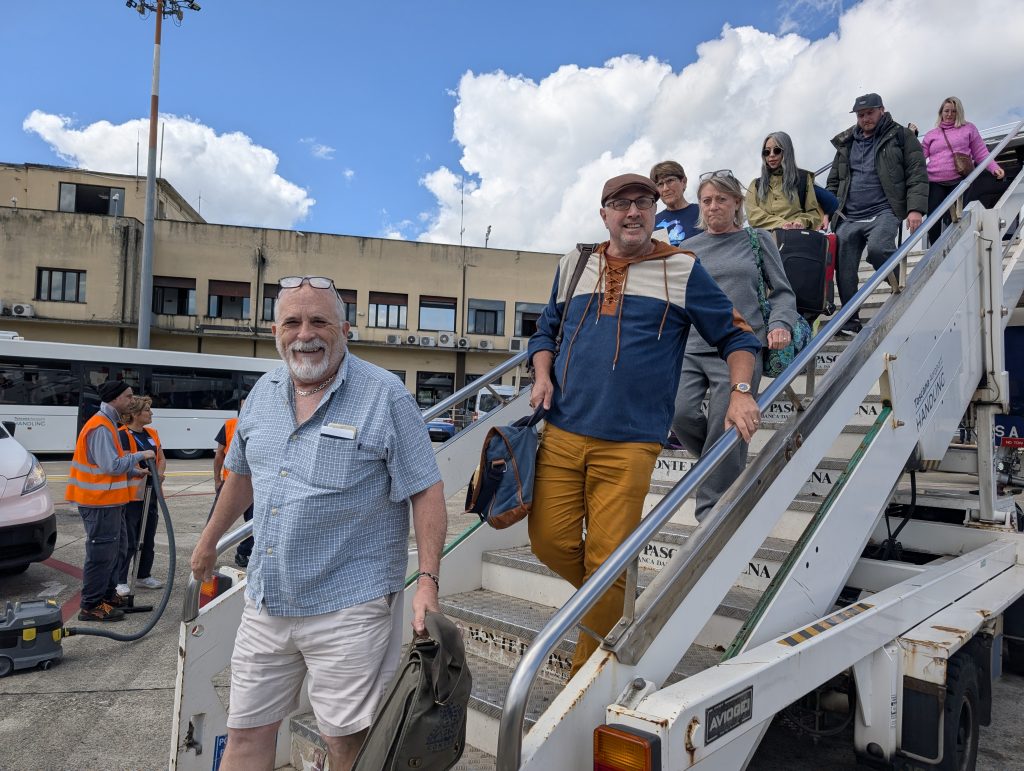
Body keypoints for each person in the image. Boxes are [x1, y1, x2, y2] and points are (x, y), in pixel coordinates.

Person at [190, 276, 447, 771]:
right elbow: (239, 475)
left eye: (319, 321)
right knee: (244, 736)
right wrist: (207, 544)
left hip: (349, 604)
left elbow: (426, 487)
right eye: (292, 321)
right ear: (275, 330)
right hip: (267, 600)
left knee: (348, 746)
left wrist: (428, 582)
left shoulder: (383, 394)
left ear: (344, 330)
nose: (305, 333)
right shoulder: (262, 393)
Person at [527, 173, 762, 677]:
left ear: (656, 212)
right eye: (620, 204)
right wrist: (542, 373)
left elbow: (738, 337)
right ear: (604, 213)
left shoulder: (681, 268)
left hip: (630, 445)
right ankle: (610, 597)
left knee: (608, 566)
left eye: (643, 203)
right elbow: (545, 330)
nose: (632, 212)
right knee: (549, 543)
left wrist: (740, 394)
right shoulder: (575, 264)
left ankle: (583, 681)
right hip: (563, 432)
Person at [674, 171, 800, 522]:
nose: (713, 206)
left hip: (742, 347)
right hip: (693, 345)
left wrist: (779, 325)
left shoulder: (757, 240)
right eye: (707, 200)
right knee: (679, 413)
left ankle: (710, 515)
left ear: (737, 204)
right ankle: (722, 466)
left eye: (721, 199)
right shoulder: (689, 248)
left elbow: (783, 293)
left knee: (725, 423)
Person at [827, 93, 928, 336]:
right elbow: (834, 181)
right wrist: (828, 210)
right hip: (849, 214)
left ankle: (902, 286)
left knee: (879, 249)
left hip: (885, 209)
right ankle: (850, 320)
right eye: (861, 115)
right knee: (845, 266)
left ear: (881, 110)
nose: (865, 118)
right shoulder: (846, 142)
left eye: (870, 113)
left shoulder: (900, 135)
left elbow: (917, 172)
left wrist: (915, 209)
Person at [65, 381, 155, 622]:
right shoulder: (101, 427)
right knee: (101, 554)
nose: (132, 400)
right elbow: (111, 465)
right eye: (128, 396)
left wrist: (134, 471)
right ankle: (91, 605)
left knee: (119, 548)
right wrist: (140, 456)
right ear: (114, 399)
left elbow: (110, 463)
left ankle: (108, 595)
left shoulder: (109, 424)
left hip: (111, 502)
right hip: (98, 502)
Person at [920, 96, 1005, 246]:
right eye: (946, 111)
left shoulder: (968, 128)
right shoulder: (931, 134)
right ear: (941, 112)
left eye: (954, 111)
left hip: (959, 180)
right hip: (935, 181)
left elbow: (981, 153)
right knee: (933, 216)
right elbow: (919, 158)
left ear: (959, 112)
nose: (949, 114)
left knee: (956, 216)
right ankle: (933, 249)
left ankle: (956, 246)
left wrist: (995, 168)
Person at [115, 395, 167, 594]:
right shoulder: (123, 434)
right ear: (135, 414)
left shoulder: (151, 433)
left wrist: (158, 475)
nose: (151, 413)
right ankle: (120, 579)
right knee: (128, 538)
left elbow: (161, 457)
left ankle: (143, 575)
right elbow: (126, 461)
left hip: (151, 492)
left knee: (148, 536)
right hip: (132, 496)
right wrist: (144, 473)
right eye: (147, 410)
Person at [746, 131, 825, 231]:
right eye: (766, 152)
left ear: (787, 152)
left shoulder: (803, 179)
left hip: (796, 239)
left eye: (777, 150)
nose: (771, 155)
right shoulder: (755, 185)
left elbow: (814, 213)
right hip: (766, 242)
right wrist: (782, 224)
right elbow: (753, 215)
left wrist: (800, 222)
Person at [213, 397, 254, 568]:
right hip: (230, 482)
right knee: (216, 522)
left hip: (253, 484)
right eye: (244, 404)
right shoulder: (230, 424)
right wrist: (217, 479)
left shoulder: (260, 423)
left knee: (254, 521)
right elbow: (219, 454)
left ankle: (243, 552)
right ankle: (209, 551)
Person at [650, 160, 703, 245]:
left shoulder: (703, 212)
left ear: (684, 182)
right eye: (660, 184)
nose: (665, 188)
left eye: (670, 181)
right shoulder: (651, 222)